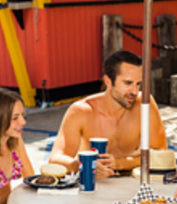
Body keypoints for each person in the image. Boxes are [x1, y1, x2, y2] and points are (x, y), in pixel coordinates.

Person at [49, 50, 167, 179]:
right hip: (91, 185)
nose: (134, 91)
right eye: (128, 83)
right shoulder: (81, 111)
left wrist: (119, 163)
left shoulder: (144, 105)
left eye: (138, 84)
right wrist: (86, 165)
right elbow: (55, 160)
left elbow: (161, 153)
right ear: (108, 81)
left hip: (131, 185)